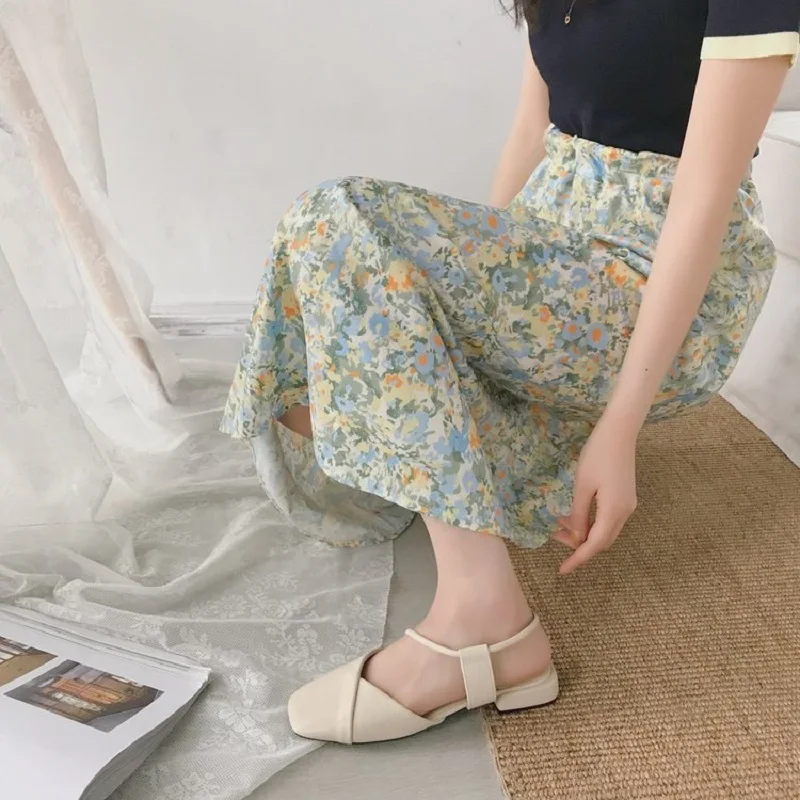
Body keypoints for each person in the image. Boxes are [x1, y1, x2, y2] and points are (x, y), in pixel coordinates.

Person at [221, 0, 799, 744]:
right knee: (320, 310)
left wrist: (620, 427)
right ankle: (489, 487)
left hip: (651, 273)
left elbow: (704, 196)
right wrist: (462, 310)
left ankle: (484, 619)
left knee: (339, 212)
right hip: (553, 245)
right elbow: (532, 132)